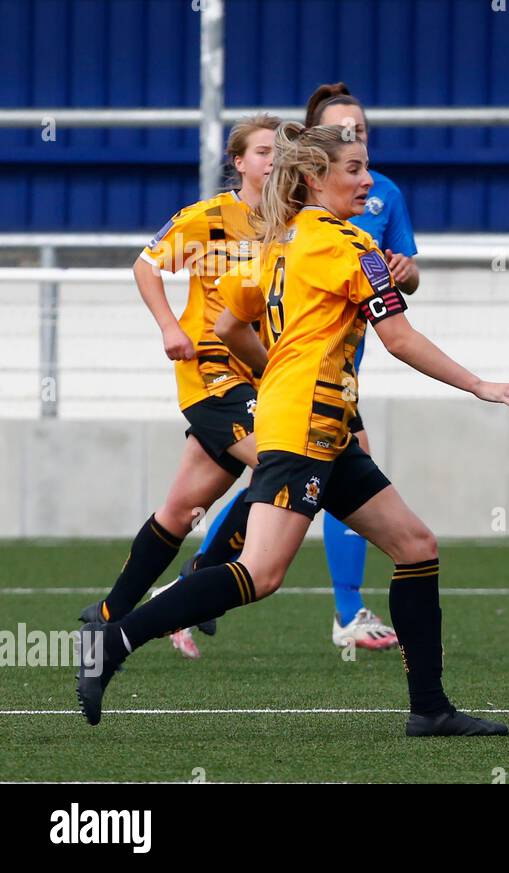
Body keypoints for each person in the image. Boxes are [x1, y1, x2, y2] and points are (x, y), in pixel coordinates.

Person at [76, 122, 509, 737]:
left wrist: (280, 372)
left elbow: (231, 323)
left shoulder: (279, 239)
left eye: (366, 167)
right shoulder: (348, 246)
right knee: (262, 574)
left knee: (415, 546)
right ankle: (113, 641)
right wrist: (480, 384)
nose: (368, 179)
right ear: (314, 177)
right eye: (354, 169)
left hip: (321, 423)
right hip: (304, 428)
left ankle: (429, 708)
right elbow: (398, 338)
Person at [192, 83, 419, 652]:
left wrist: (394, 271)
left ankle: (194, 587)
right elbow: (239, 303)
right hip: (306, 378)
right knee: (267, 550)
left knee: (371, 511)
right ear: (316, 157)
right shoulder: (297, 217)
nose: (356, 142)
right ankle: (184, 595)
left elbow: (405, 274)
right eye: (344, 132)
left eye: (362, 131)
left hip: (338, 373)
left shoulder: (380, 192)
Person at [78, 114, 281, 658]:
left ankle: (104, 616)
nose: (273, 160)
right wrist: (170, 326)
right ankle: (205, 574)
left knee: (181, 508)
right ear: (239, 162)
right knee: (281, 459)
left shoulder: (297, 225)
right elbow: (146, 266)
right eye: (262, 151)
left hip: (263, 371)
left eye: (280, 151)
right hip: (210, 370)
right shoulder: (208, 217)